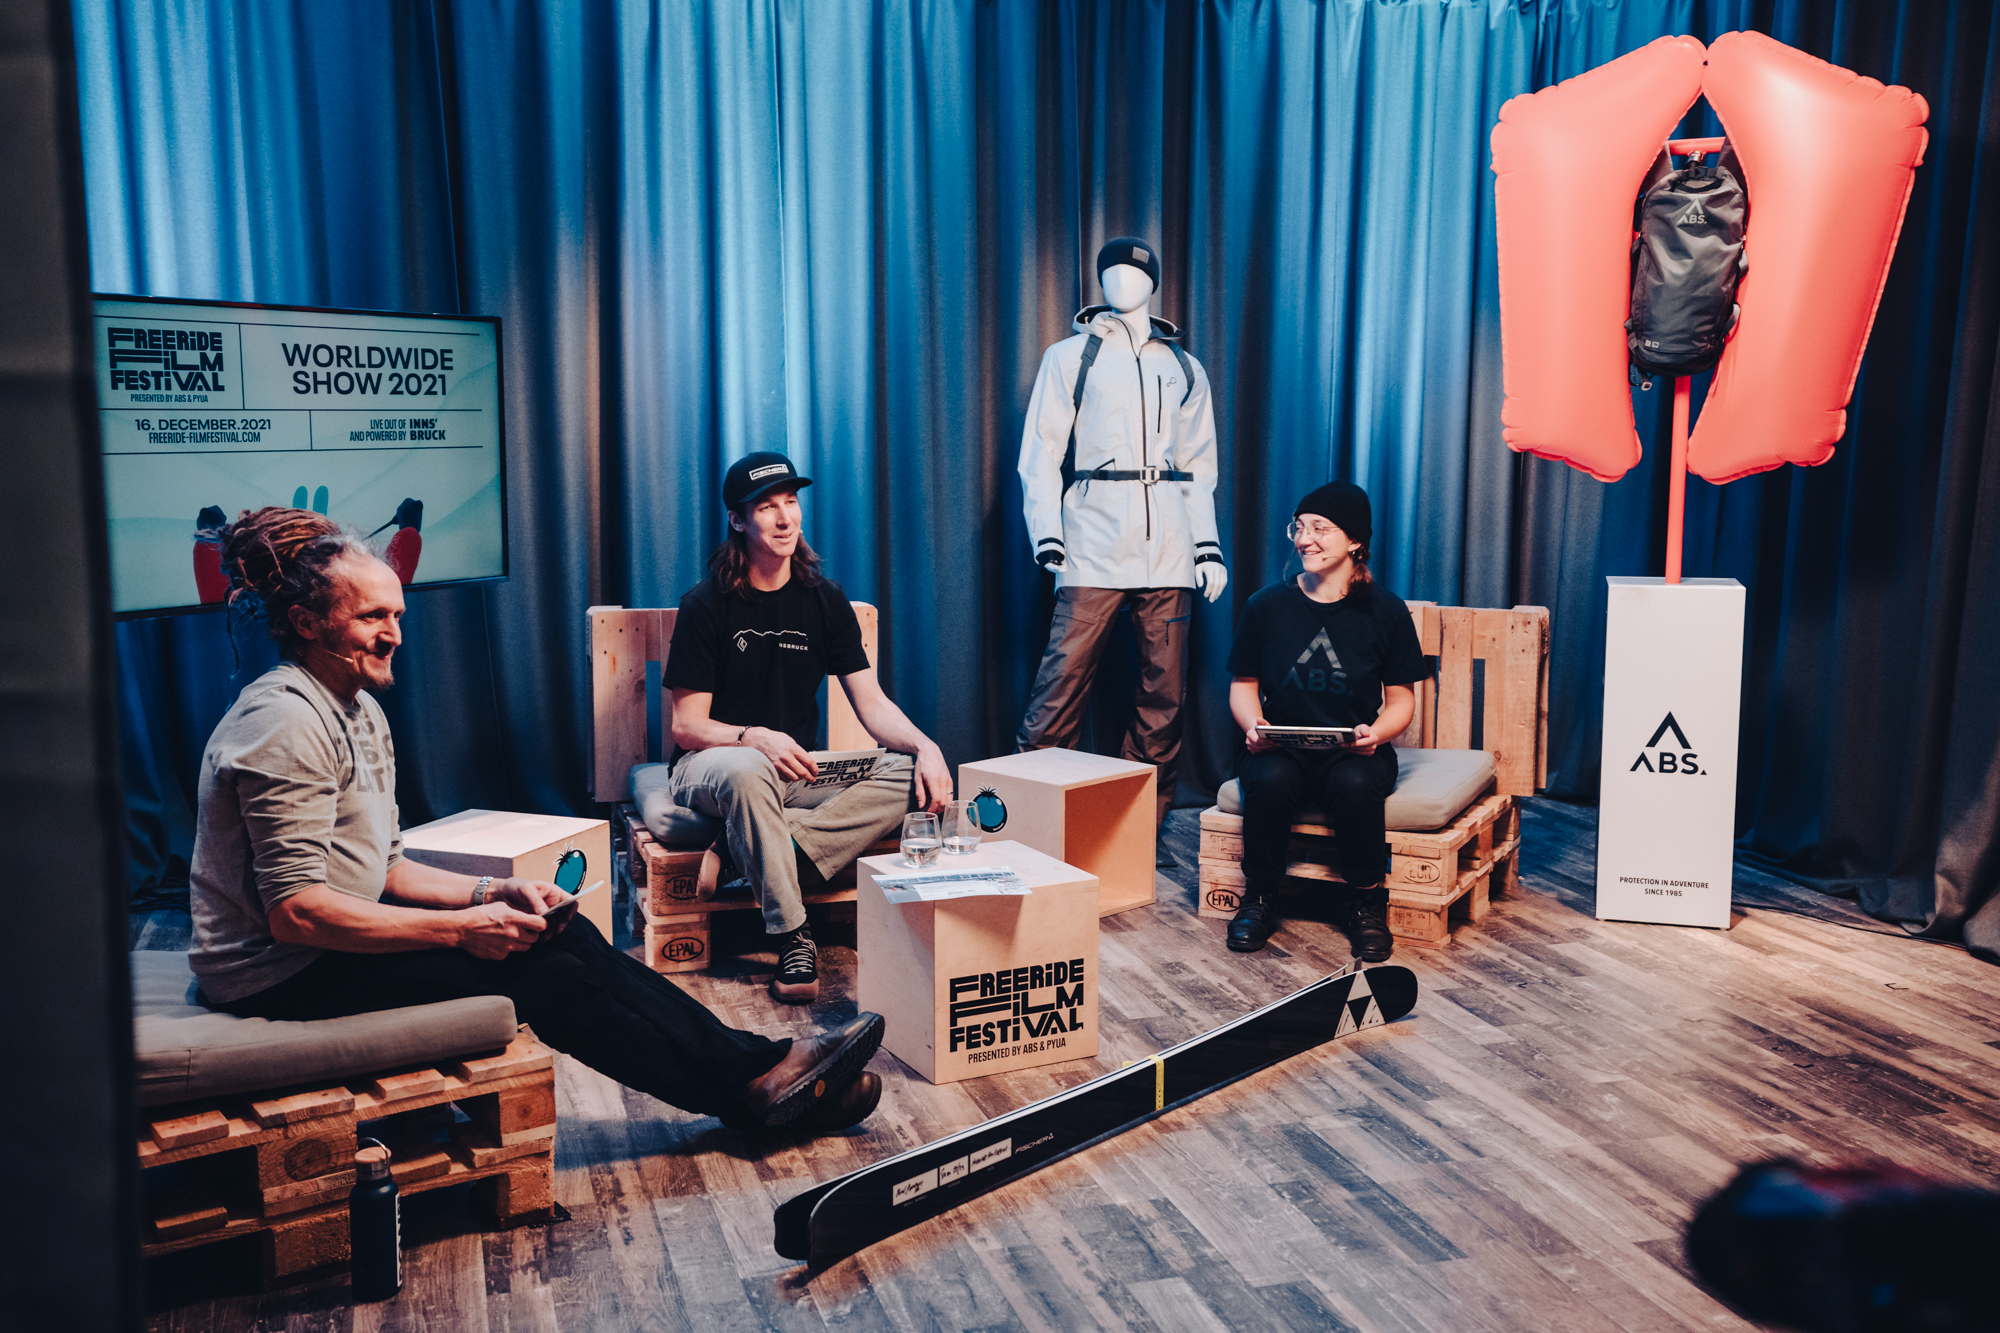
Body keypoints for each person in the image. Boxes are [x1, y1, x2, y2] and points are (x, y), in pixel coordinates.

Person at [188, 507, 884, 1134]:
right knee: (545, 976)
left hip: (330, 939)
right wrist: (463, 929)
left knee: (565, 932)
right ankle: (752, 1090)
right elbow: (297, 914)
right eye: (372, 618)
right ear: (307, 623)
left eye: (397, 615)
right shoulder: (284, 721)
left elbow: (387, 867)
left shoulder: (359, 708)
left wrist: (493, 892)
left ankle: (760, 1072)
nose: (394, 634)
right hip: (282, 972)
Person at [661, 453, 952, 1004]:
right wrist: (752, 736)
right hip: (713, 766)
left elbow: (871, 703)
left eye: (791, 502)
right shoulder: (706, 604)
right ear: (737, 520)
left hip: (796, 772)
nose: (784, 518)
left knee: (906, 772)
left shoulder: (824, 599)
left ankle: (754, 852)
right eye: (766, 507)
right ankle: (793, 935)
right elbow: (687, 726)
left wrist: (927, 746)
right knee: (748, 770)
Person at [1015, 238, 1226, 843]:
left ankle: (1132, 833)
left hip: (1170, 549)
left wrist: (1206, 548)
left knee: (1164, 698)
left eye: (1133, 274)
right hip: (1092, 541)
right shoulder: (1070, 357)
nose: (1120, 283)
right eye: (1109, 273)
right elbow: (1041, 451)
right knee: (1060, 687)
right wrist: (1047, 532)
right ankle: (1030, 821)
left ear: (1153, 284)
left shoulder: (1184, 367)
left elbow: (1199, 466)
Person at [1222, 481, 1428, 960]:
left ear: (1354, 540)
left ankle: (1365, 901)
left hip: (1354, 750)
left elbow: (1401, 701)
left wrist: (1377, 734)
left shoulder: (1387, 611)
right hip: (1281, 748)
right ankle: (1260, 896)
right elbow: (1243, 686)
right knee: (1270, 779)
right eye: (1299, 528)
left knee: (1356, 783)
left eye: (1320, 528)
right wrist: (1254, 726)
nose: (1304, 539)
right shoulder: (1266, 606)